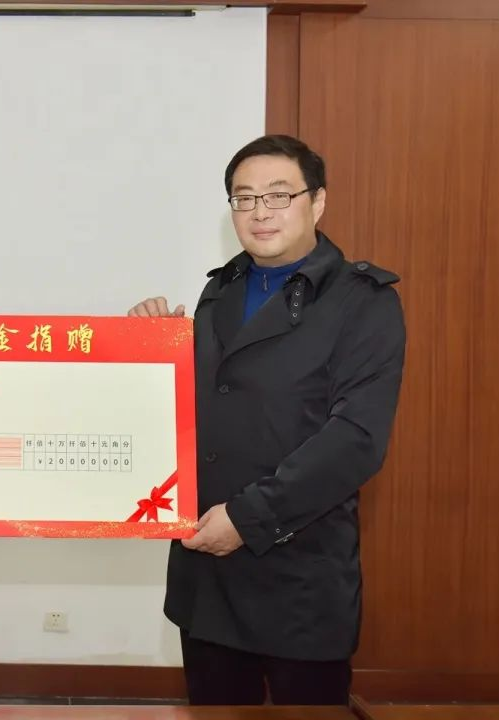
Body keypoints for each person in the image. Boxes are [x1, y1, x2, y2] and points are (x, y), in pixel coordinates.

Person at [128, 135, 405, 705]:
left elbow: (355, 439)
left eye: (279, 195)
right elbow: (203, 408)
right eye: (244, 197)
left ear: (317, 202)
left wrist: (247, 520)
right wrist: (149, 351)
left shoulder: (363, 300)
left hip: (297, 572)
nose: (260, 212)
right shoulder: (220, 289)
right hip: (207, 571)